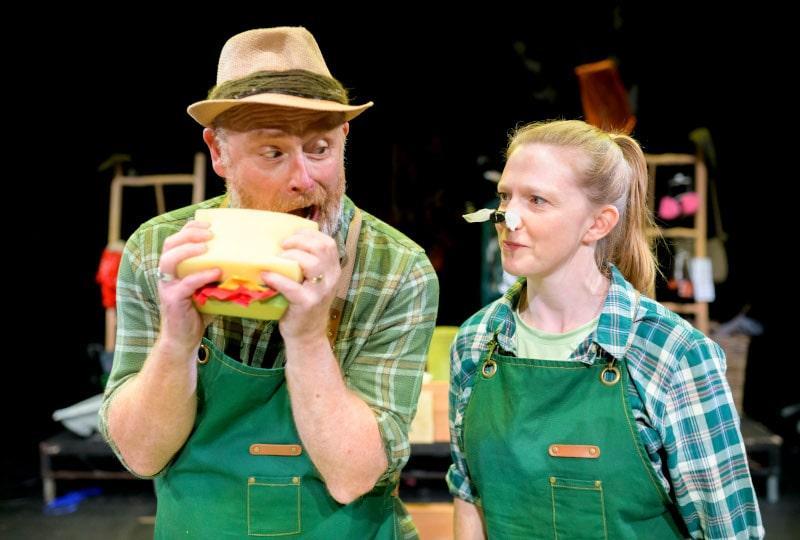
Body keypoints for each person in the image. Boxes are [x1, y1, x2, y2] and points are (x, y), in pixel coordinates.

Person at [99, 27, 439, 539]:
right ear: (219, 153)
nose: (304, 178)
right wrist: (177, 340)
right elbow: (141, 455)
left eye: (320, 148)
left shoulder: (395, 269)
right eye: (273, 153)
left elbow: (354, 476)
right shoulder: (159, 252)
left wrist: (308, 337)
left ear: (345, 139)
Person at [447, 119, 764, 539]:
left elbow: (729, 530)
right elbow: (468, 493)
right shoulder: (475, 341)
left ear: (598, 223)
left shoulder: (671, 354)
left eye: (537, 200)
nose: (509, 217)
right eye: (506, 196)